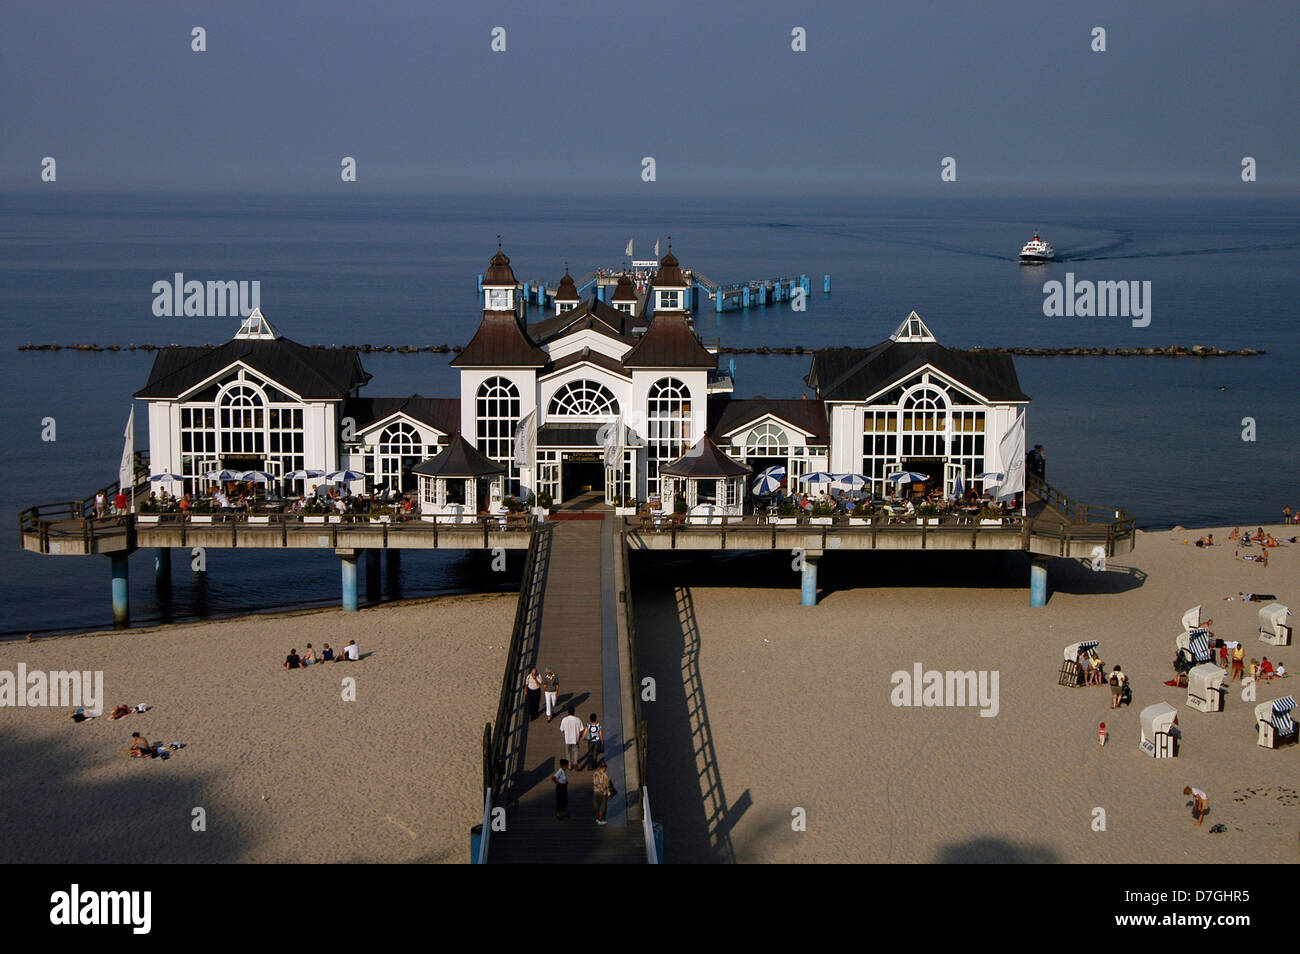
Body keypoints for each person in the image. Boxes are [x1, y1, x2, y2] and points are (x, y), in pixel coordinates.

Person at [559, 706, 584, 772]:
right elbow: (581, 730)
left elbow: (561, 730)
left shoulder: (564, 719)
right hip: (575, 738)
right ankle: (575, 762)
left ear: (568, 712)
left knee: (568, 752)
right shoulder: (578, 719)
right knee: (575, 751)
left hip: (567, 739)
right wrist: (580, 736)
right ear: (574, 712)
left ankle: (569, 765)